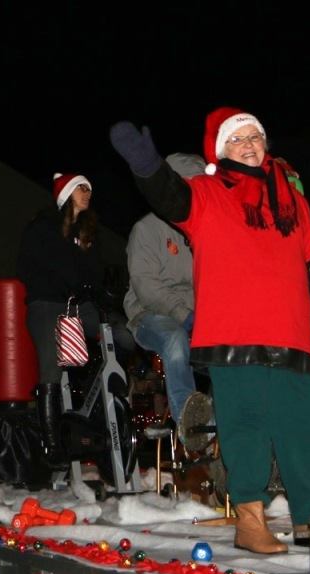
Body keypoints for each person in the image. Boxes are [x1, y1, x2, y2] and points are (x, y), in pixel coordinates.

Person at [110, 108, 310, 553]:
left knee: (302, 427)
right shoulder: (208, 193)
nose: (249, 144)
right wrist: (147, 166)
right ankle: (251, 521)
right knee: (246, 427)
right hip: (234, 332)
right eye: (237, 139)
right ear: (221, 150)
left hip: (292, 332)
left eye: (255, 136)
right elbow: (171, 197)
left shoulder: (291, 200)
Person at [15, 172, 133, 462]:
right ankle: (52, 443)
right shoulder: (43, 226)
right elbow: (36, 267)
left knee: (124, 334)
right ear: (66, 193)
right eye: (81, 187)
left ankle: (94, 399)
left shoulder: (88, 232)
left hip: (80, 305)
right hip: (48, 303)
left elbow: (94, 273)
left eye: (89, 188)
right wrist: (73, 281)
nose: (87, 193)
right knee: (51, 368)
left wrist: (102, 291)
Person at [123, 153, 206, 425]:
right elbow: (146, 286)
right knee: (175, 340)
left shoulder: (206, 232)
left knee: (234, 352)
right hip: (150, 315)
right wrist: (186, 316)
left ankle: (231, 423)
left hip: (196, 316)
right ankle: (190, 424)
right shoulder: (146, 229)